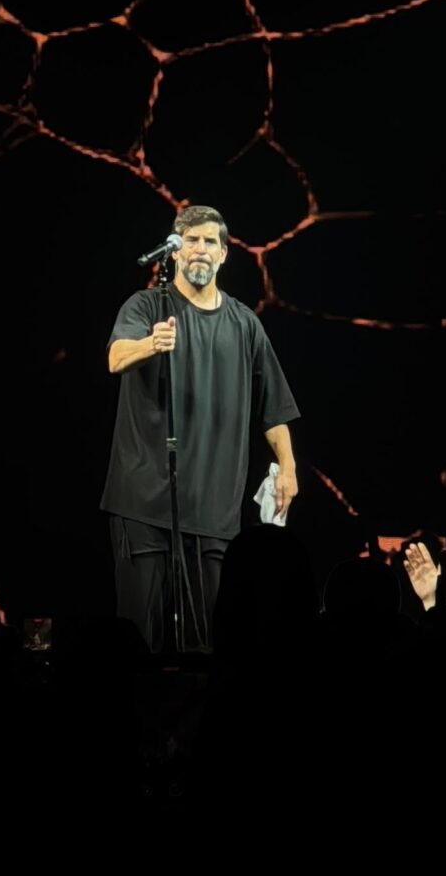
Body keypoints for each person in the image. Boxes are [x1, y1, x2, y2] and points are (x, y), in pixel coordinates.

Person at [100, 205, 300, 652]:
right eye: (191, 240)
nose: (200, 249)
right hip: (144, 502)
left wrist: (287, 467)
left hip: (215, 509)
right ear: (174, 250)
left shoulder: (245, 324)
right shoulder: (145, 306)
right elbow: (115, 357)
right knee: (138, 641)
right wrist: (151, 343)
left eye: (211, 241)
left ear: (224, 254)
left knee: (211, 643)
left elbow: (275, 408)